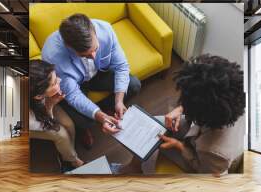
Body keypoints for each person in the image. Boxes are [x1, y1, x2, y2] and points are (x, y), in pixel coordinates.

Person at [123, 54, 246, 175]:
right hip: (200, 130)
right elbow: (208, 97)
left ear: (200, 112)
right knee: (152, 125)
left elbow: (202, 170)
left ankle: (134, 171)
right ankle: (134, 167)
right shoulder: (231, 100)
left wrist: (179, 146)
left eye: (185, 100)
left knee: (154, 136)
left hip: (198, 160)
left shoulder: (216, 153)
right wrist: (181, 109)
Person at [42, 13, 141, 147]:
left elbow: (121, 66)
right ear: (69, 47)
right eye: (86, 55)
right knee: (86, 121)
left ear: (94, 30)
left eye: (96, 49)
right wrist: (100, 116)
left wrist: (119, 101)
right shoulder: (53, 56)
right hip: (73, 85)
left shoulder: (105, 29)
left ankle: (108, 107)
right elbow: (73, 94)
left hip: (98, 74)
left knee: (134, 85)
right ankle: (87, 126)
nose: (94, 56)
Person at [29, 59, 84, 169]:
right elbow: (48, 123)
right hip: (32, 123)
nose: (59, 80)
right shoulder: (28, 119)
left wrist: (52, 102)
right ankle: (71, 160)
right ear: (39, 96)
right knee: (61, 134)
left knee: (69, 124)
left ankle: (67, 151)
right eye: (54, 83)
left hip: (44, 104)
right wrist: (50, 105)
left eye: (56, 76)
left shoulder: (36, 83)